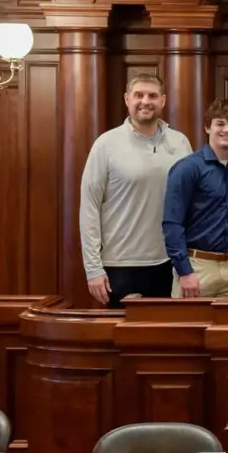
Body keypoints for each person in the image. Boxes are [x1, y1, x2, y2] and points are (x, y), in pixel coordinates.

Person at [79, 73, 193, 308]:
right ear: (127, 99)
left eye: (152, 95)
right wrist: (93, 268)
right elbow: (89, 208)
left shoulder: (181, 143)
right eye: (138, 95)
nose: (145, 101)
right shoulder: (106, 144)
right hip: (121, 266)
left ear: (162, 101)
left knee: (166, 341)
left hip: (170, 263)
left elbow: (192, 203)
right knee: (125, 342)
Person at [163, 99, 228, 301]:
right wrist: (184, 271)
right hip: (197, 268)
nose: (226, 130)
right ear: (207, 127)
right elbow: (172, 224)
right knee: (189, 331)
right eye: (220, 123)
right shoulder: (187, 168)